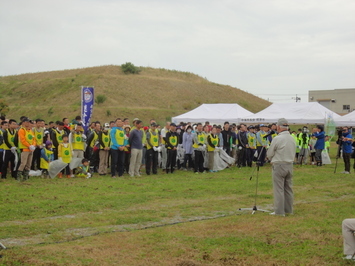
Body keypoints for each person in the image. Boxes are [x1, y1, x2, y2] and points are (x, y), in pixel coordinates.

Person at [266, 118, 296, 216]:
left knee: (279, 189)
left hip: (279, 165)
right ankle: (289, 209)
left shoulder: (277, 138)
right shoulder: (292, 138)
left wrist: (270, 157)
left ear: (278, 127)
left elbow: (270, 153)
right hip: (289, 165)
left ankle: (279, 212)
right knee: (288, 188)